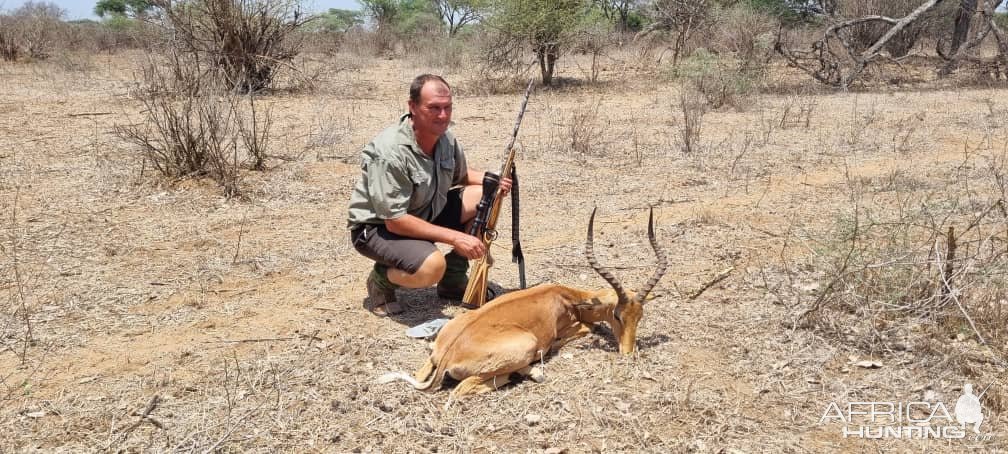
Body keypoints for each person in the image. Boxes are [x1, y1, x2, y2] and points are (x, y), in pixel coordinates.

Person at [347, 74, 511, 316]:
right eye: (434, 108)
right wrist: (456, 238)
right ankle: (381, 281)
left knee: (484, 195)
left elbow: (461, 175)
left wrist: (493, 182)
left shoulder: (445, 138)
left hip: (423, 212)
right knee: (432, 267)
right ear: (412, 107)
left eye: (447, 108)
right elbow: (395, 221)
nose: (443, 116)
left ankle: (454, 279)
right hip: (377, 228)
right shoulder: (390, 151)